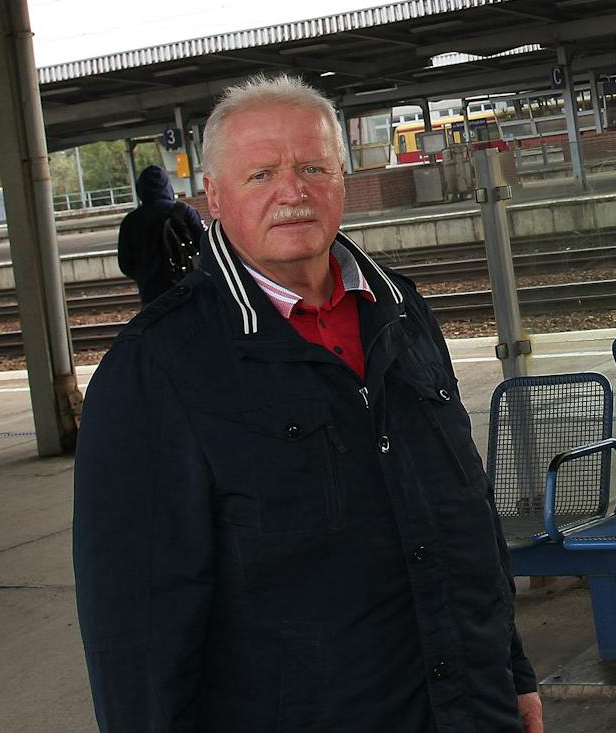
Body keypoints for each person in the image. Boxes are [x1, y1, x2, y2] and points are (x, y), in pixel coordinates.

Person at [74, 74, 543, 733]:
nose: (292, 192)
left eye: (312, 166)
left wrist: (513, 673)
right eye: (261, 173)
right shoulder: (157, 366)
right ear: (213, 196)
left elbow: (466, 517)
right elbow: (136, 634)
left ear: (342, 179)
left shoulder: (402, 312)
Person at [115, 163, 205, 304]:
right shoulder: (184, 211)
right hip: (188, 289)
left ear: (141, 188)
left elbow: (125, 264)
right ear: (167, 186)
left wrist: (144, 274)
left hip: (151, 295)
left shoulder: (130, 221)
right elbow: (206, 247)